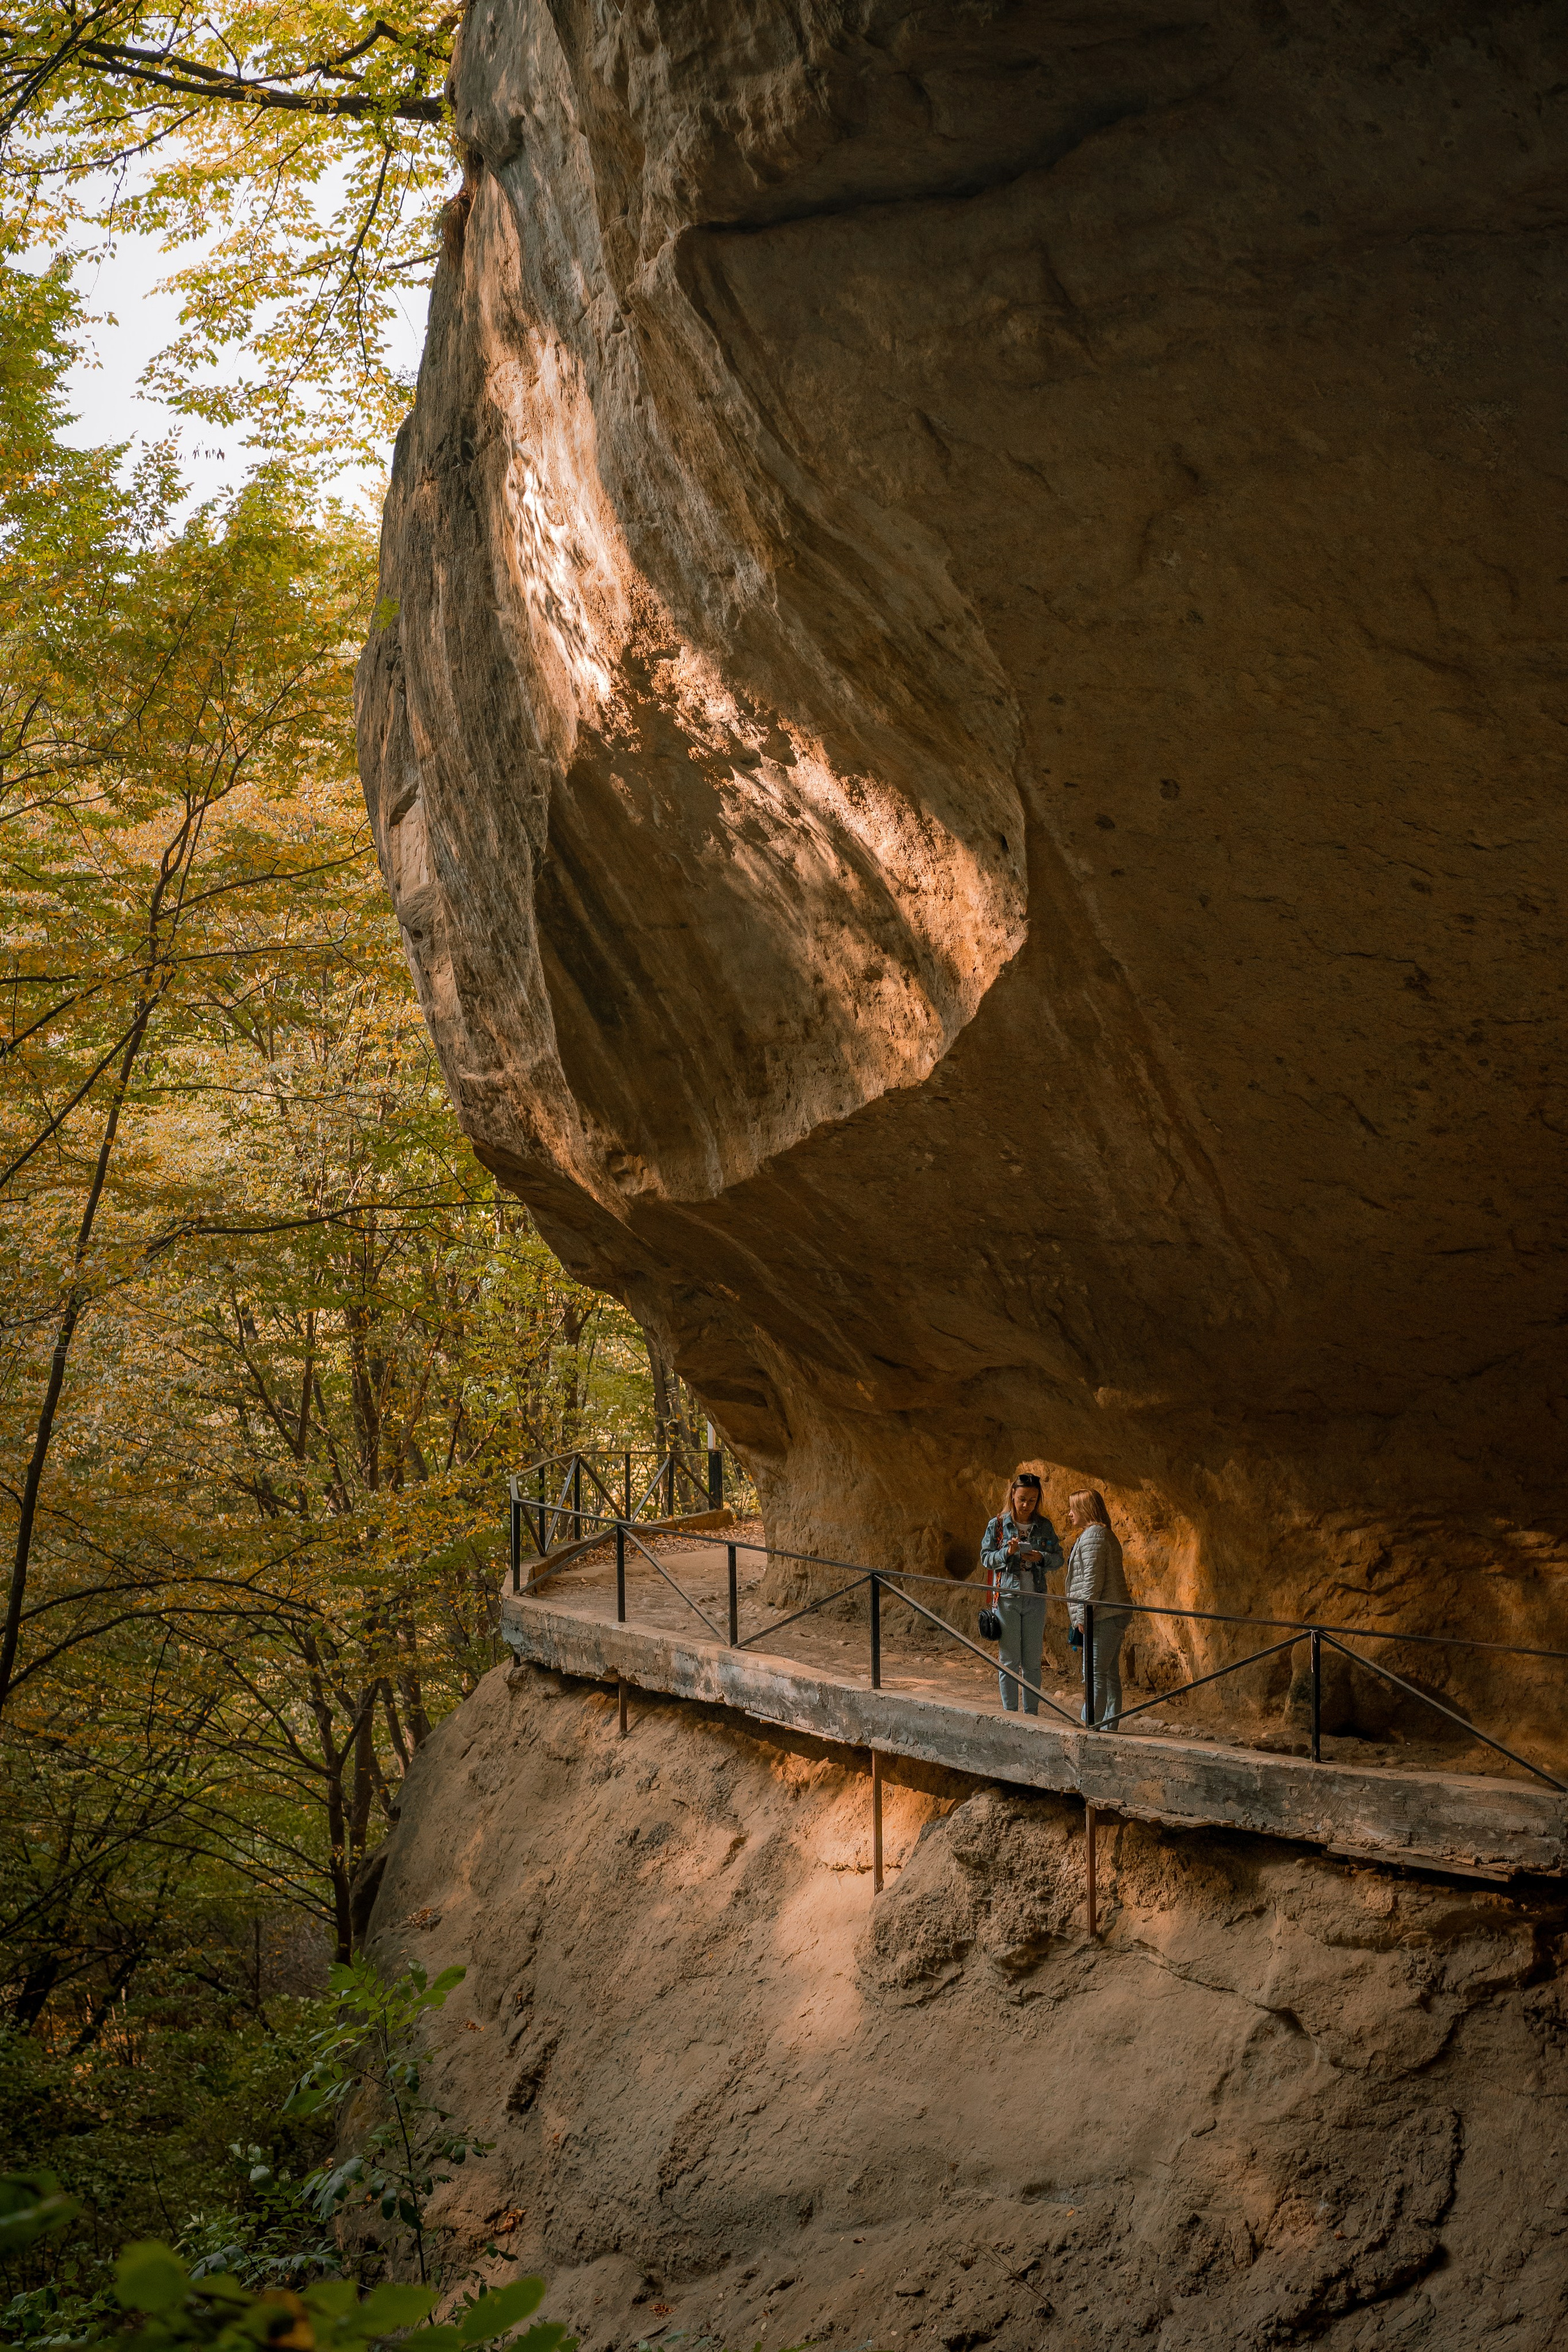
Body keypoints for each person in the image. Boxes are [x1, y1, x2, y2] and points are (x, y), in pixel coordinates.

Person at [979, 1471, 1063, 1714]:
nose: (1027, 1505)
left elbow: (1058, 1558)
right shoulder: (997, 1524)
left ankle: (1032, 1714)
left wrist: (1041, 1558)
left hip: (1035, 1598)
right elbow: (986, 1558)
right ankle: (1011, 1714)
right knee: (1009, 1660)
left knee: (1032, 1662)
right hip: (1007, 1598)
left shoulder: (1044, 1526)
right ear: (1012, 1496)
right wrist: (1006, 1553)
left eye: (1033, 1500)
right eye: (1022, 1499)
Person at [1065, 1489, 1129, 1728]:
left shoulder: (1094, 1536)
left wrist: (1084, 1614)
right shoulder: (1101, 1534)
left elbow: (1092, 1581)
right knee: (1109, 1674)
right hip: (1112, 1613)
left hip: (1103, 1615)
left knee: (1094, 1674)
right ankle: (1109, 1726)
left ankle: (1088, 1727)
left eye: (1073, 1508)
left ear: (1085, 1509)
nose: (1070, 1513)